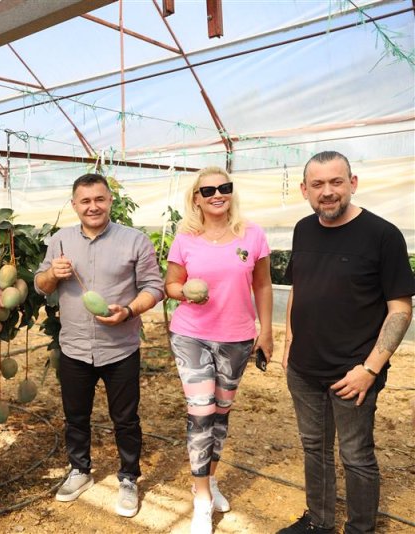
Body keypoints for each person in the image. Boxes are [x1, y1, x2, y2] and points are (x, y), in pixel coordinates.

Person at [279, 151, 414, 534]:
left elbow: (400, 310)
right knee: (314, 449)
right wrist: (290, 342)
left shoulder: (383, 235)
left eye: (336, 182)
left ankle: (360, 529)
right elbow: (296, 288)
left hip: (354, 371)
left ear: (352, 184)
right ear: (305, 190)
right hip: (304, 370)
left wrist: (370, 369)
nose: (328, 192)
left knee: (355, 455)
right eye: (318, 184)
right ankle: (319, 523)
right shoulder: (303, 229)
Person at [34, 173, 164, 518]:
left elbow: (155, 286)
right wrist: (52, 275)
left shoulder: (134, 240)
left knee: (125, 418)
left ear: (110, 201)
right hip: (74, 346)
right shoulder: (59, 241)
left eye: (100, 199)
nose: (93, 206)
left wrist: (129, 311)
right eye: (85, 201)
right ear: (74, 204)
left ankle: (128, 477)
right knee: (76, 417)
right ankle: (80, 471)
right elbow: (40, 286)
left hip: (120, 347)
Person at [164, 167, 273, 534]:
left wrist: (267, 330)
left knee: (221, 414)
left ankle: (210, 481)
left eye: (223, 188)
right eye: (207, 189)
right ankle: (200, 500)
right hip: (191, 334)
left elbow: (263, 285)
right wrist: (187, 291)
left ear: (231, 192)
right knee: (201, 411)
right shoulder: (185, 239)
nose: (216, 194)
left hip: (237, 337)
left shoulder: (252, 234)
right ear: (196, 197)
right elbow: (170, 285)